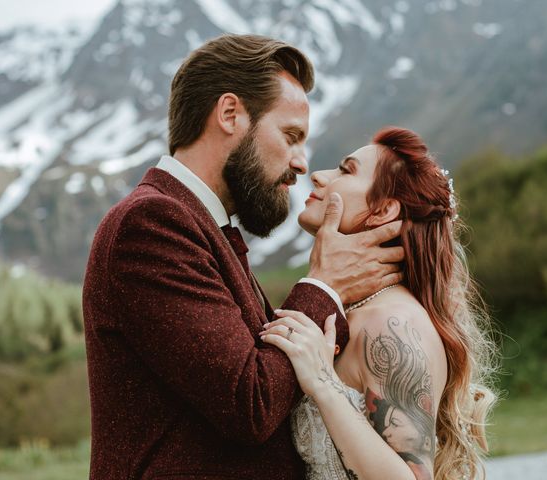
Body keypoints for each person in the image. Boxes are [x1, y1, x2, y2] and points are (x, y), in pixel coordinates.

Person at [82, 34, 405, 480]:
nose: (300, 163)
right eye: (291, 136)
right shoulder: (151, 224)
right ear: (230, 114)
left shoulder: (199, 224)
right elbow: (249, 401)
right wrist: (324, 284)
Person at [261, 126, 497, 480]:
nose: (320, 175)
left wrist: (324, 384)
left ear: (383, 210)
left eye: (346, 170)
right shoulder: (352, 312)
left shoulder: (390, 324)